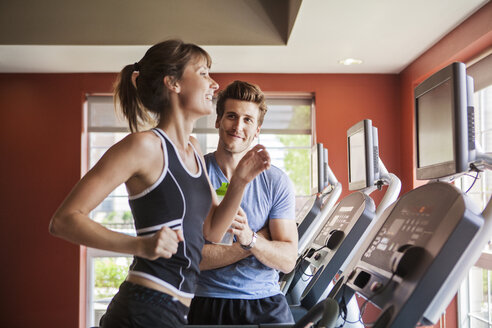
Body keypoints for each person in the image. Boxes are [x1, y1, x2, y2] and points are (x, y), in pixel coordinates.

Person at [48, 40, 270, 328]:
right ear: (173, 83)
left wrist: (239, 181)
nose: (214, 84)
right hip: (144, 307)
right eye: (203, 73)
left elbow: (213, 230)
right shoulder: (145, 147)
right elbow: (64, 220)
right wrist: (139, 245)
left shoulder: (193, 151)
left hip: (177, 311)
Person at [188, 80, 298, 325]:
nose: (238, 126)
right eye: (231, 116)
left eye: (248, 119)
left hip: (265, 302)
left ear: (257, 129)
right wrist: (249, 246)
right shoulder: (196, 172)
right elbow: (191, 258)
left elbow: (288, 260)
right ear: (218, 121)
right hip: (207, 300)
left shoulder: (275, 181)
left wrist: (249, 237)